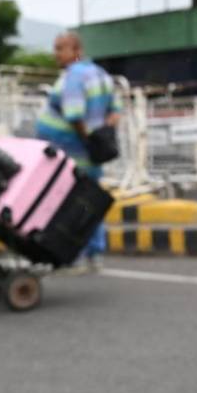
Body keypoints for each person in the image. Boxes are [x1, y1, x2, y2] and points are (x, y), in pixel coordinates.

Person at [34, 32, 120, 271]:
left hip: (71, 152)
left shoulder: (74, 77)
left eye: (61, 48)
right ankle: (95, 254)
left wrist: (89, 139)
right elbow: (115, 111)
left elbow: (74, 116)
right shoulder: (101, 75)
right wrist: (103, 136)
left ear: (76, 51)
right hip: (90, 155)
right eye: (56, 48)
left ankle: (77, 256)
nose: (56, 54)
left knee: (71, 203)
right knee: (92, 200)